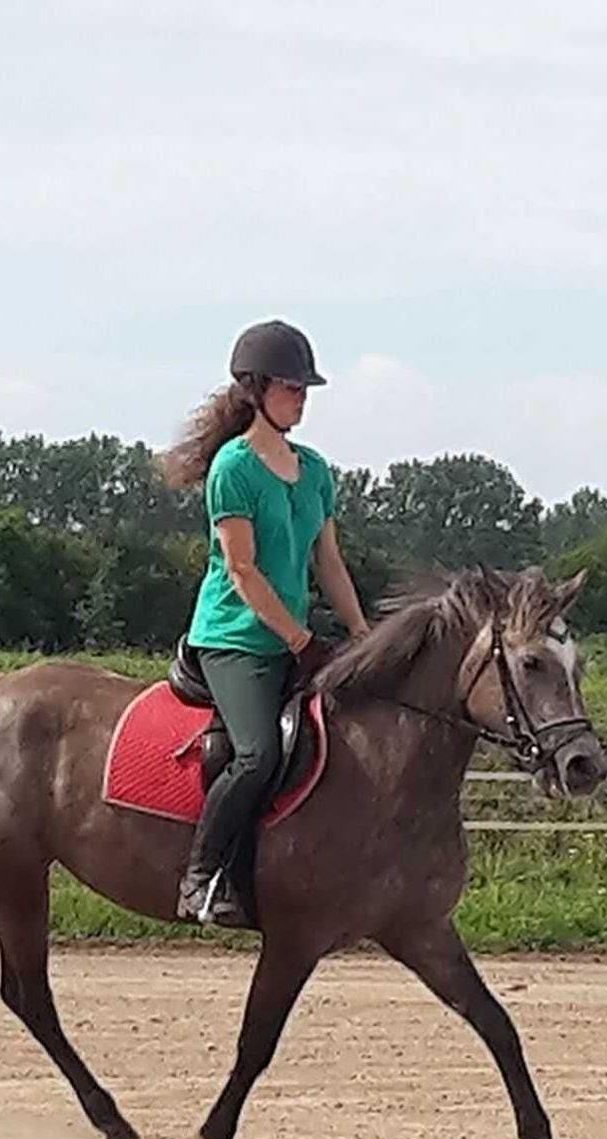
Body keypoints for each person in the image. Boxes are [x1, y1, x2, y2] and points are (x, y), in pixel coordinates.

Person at [160, 318, 370, 927]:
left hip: (294, 641)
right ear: (255, 389)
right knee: (256, 754)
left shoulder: (315, 470)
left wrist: (363, 636)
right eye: (291, 387)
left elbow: (328, 562)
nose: (301, 398)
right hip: (235, 640)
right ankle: (200, 878)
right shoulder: (234, 468)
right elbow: (243, 570)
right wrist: (300, 639)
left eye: (305, 389)